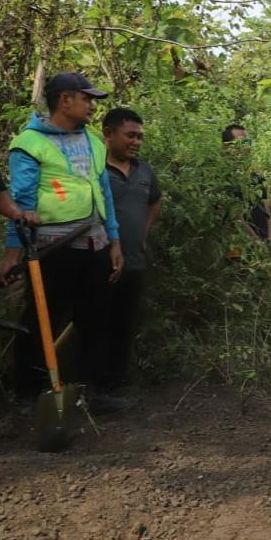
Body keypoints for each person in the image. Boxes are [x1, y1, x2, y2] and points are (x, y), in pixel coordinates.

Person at [0, 72, 123, 404]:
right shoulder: (29, 144)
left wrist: (114, 240)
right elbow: (21, 204)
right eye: (87, 99)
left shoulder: (94, 142)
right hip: (52, 248)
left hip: (95, 243)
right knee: (41, 320)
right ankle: (28, 394)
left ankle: (93, 392)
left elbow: (105, 194)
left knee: (95, 319)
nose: (92, 107)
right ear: (65, 100)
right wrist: (12, 254)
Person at [103, 108, 161, 392]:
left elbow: (155, 201)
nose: (136, 142)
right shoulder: (96, 170)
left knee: (125, 325)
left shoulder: (145, 170)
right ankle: (92, 385)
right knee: (96, 323)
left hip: (135, 261)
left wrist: (143, 234)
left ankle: (116, 384)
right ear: (108, 135)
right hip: (101, 262)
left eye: (140, 136)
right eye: (130, 135)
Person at [222, 124, 270, 242]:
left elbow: (267, 213)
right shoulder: (224, 180)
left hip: (263, 245)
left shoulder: (257, 176)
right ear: (226, 147)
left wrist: (270, 240)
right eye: (240, 143)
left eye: (247, 143)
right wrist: (257, 243)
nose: (245, 148)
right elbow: (236, 218)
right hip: (240, 246)